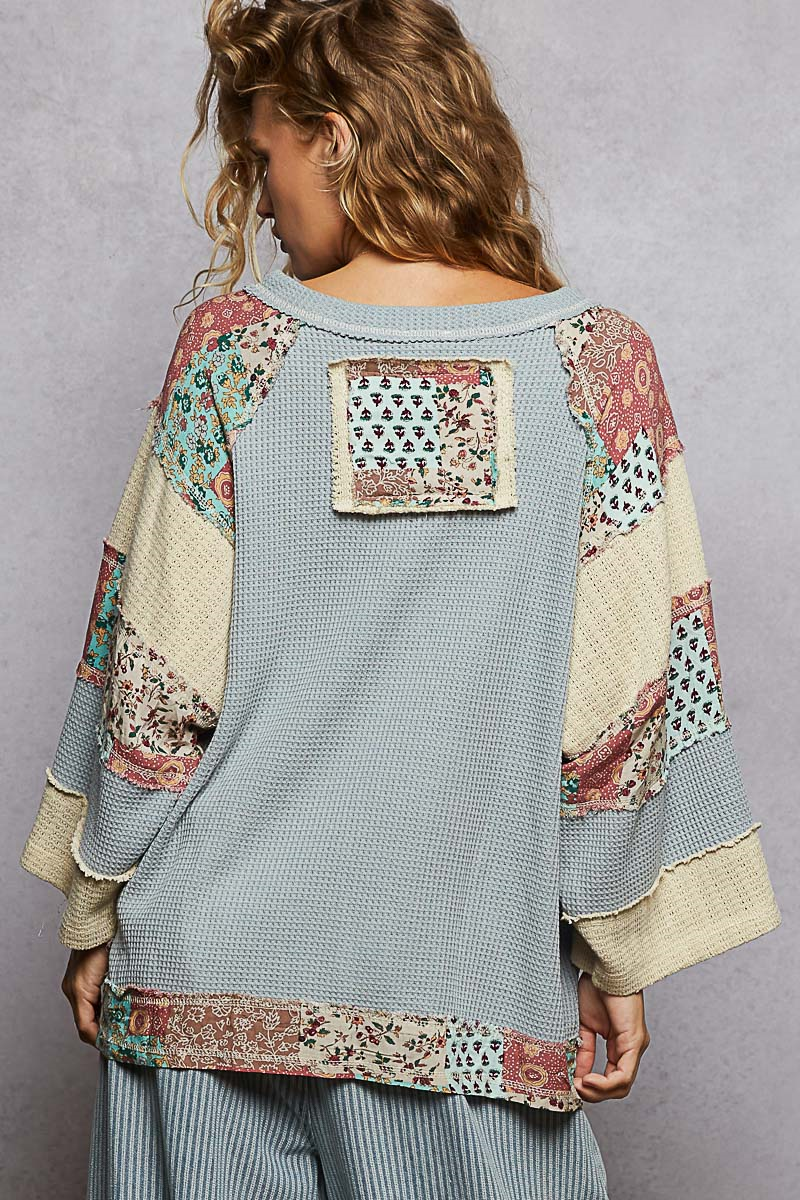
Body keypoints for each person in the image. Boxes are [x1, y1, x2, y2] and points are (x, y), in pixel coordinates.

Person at [20, 1, 782, 1198]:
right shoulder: (596, 368)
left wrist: (94, 906)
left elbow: (150, 687)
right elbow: (628, 713)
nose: (258, 202)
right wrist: (614, 947)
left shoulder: (233, 355)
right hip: (466, 994)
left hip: (208, 987)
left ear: (332, 138)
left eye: (263, 156)